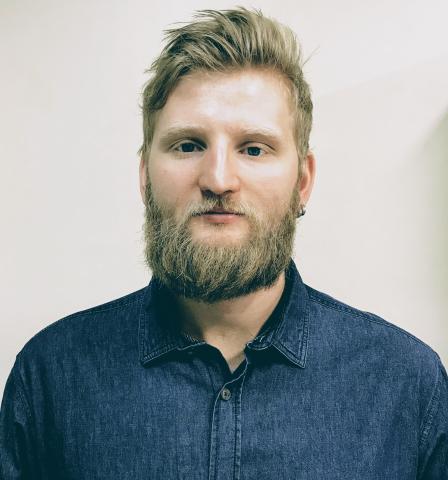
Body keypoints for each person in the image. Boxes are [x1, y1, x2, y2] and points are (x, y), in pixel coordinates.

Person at [1, 7, 447, 479]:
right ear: (144, 177)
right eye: (188, 145)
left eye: (253, 148)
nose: (218, 178)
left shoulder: (408, 387)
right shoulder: (51, 378)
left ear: (303, 182)